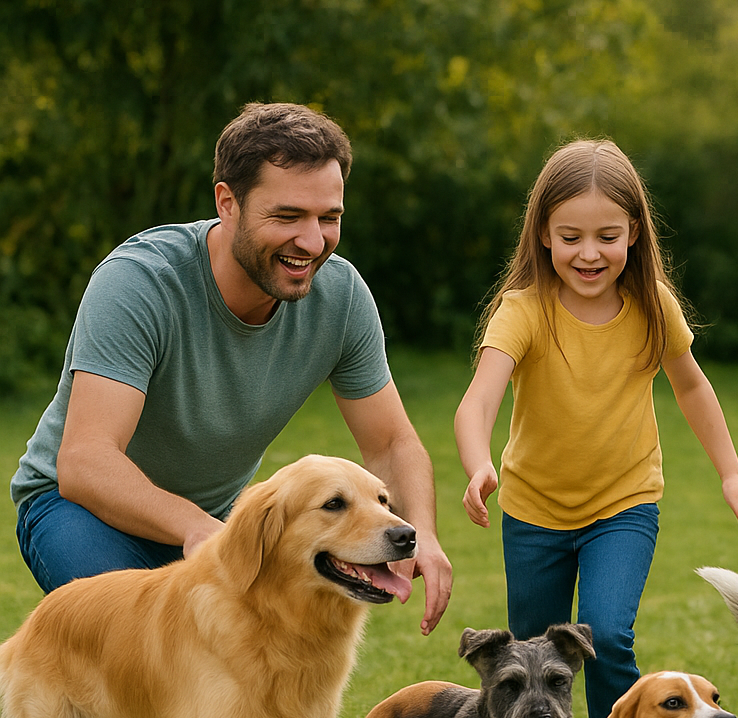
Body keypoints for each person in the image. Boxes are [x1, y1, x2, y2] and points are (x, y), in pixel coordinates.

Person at [11, 102, 452, 635]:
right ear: (228, 202)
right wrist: (201, 530)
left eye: (328, 218)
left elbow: (390, 444)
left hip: (214, 523)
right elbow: (85, 461)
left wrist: (421, 531)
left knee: (258, 664)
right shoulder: (140, 282)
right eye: (287, 216)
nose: (313, 243)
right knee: (153, 647)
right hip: (76, 510)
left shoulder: (341, 297)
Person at [454, 139, 738, 718]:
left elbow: (693, 389)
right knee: (536, 659)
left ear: (635, 233)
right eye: (570, 237)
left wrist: (731, 473)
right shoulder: (523, 310)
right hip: (534, 511)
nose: (589, 253)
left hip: (623, 505)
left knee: (605, 632)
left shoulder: (652, 306)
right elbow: (480, 399)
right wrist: (477, 463)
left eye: (607, 236)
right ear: (544, 234)